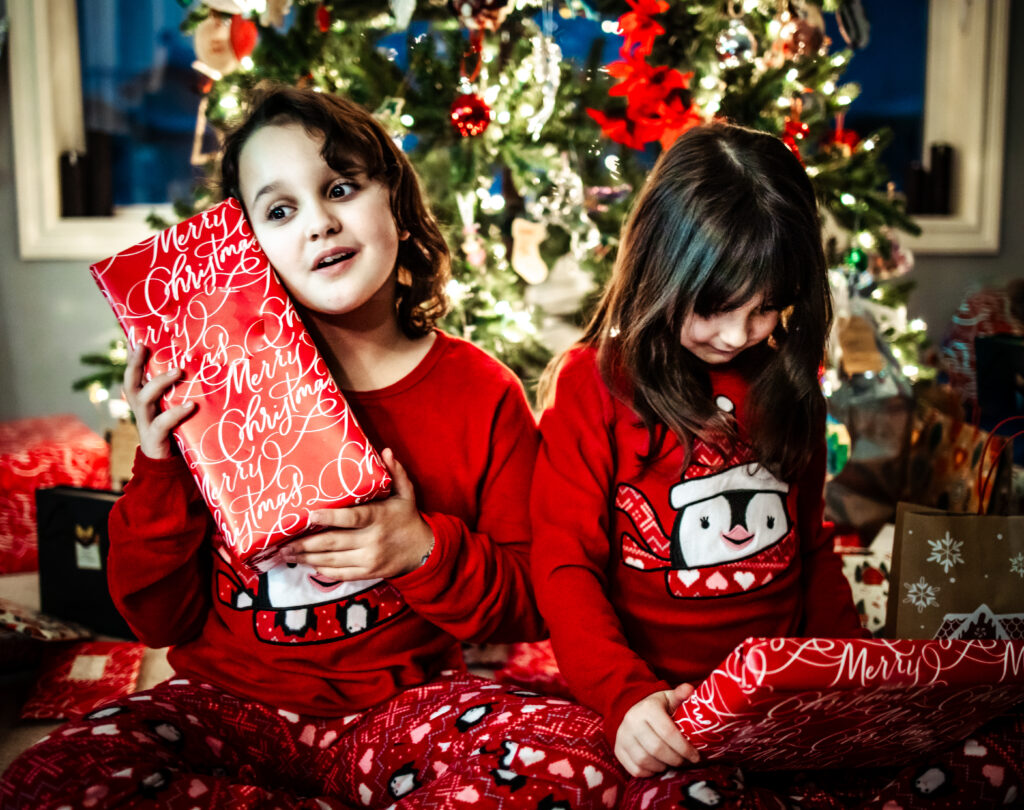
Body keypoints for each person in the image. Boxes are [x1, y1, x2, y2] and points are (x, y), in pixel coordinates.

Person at [0, 85, 625, 809]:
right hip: (224, 703)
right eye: (279, 211)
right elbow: (156, 620)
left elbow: (531, 604)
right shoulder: (207, 392)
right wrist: (160, 464)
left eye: (341, 188)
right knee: (48, 780)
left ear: (396, 203)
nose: (320, 223)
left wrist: (419, 549)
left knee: (576, 761)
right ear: (244, 248)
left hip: (406, 708)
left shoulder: (481, 393)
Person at [530, 122, 1023, 809]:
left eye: (765, 309)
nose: (737, 335)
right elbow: (563, 565)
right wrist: (624, 696)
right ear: (657, 267)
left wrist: (858, 673)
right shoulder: (593, 385)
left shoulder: (785, 382)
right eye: (713, 307)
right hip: (659, 703)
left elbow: (811, 547)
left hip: (782, 701)